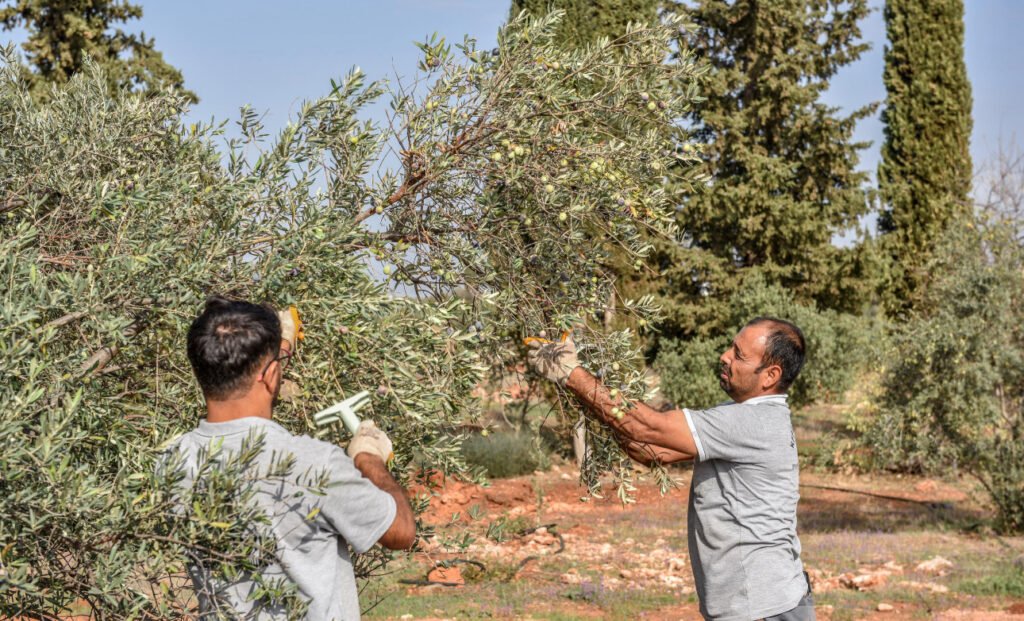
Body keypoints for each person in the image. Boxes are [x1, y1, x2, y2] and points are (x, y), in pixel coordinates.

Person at [528, 317, 815, 621]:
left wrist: (571, 373)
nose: (725, 356)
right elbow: (651, 452)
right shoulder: (743, 416)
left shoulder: (751, 423)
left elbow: (648, 427)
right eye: (731, 347)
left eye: (739, 354)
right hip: (760, 604)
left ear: (770, 376)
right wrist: (585, 394)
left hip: (762, 609)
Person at [164, 296, 414, 620]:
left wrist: (275, 351)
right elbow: (401, 531)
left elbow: (238, 382)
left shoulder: (174, 463)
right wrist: (368, 457)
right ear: (269, 375)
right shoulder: (314, 464)